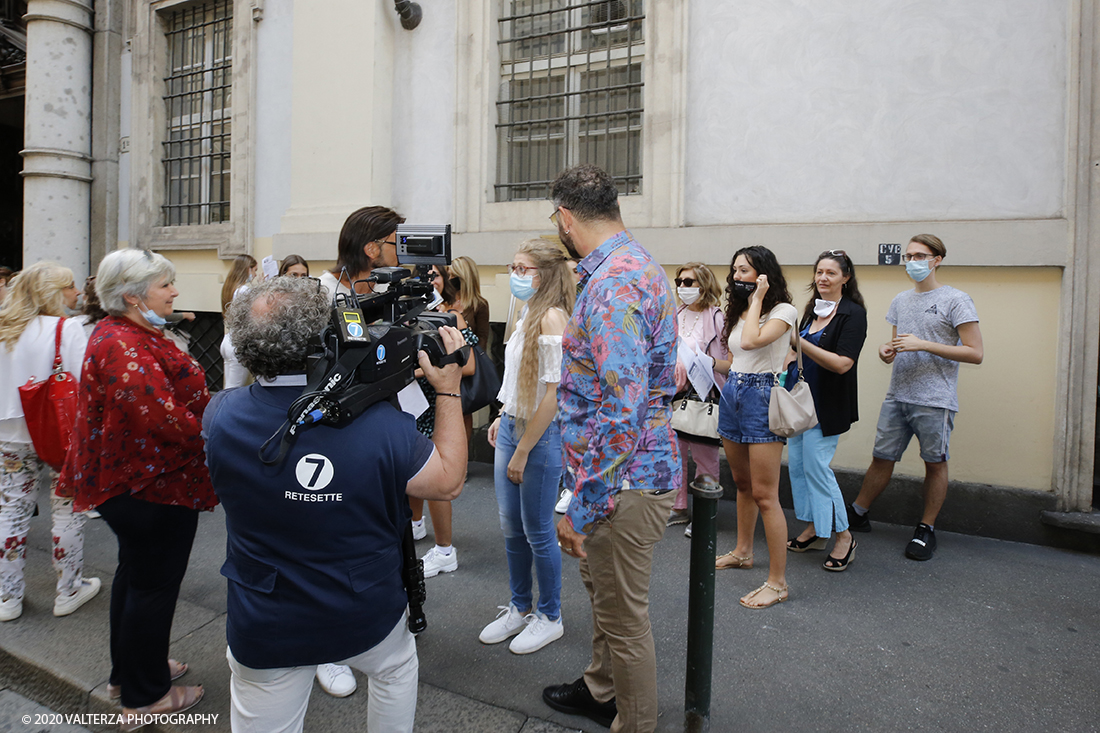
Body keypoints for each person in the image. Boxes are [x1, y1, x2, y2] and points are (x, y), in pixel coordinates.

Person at [203, 277, 468, 733]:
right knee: (395, 671)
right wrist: (447, 389)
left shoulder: (220, 416)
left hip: (266, 618)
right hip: (364, 608)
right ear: (326, 339)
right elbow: (447, 482)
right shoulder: (383, 427)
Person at [543, 165, 680, 733]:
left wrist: (583, 503)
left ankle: (636, 723)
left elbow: (623, 409)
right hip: (623, 475)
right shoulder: (636, 265)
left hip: (621, 483)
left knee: (625, 622)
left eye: (556, 220)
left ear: (567, 218)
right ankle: (602, 692)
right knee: (604, 593)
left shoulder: (613, 283)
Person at [61, 248, 213, 720]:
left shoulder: (125, 332)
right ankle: (147, 697)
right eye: (165, 283)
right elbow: (164, 421)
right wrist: (224, 429)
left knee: (136, 579)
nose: (175, 291)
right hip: (151, 488)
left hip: (136, 484)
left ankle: (129, 673)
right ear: (132, 296)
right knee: (152, 587)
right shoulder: (123, 343)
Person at [848, 234, 983, 561]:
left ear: (937, 259)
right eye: (908, 256)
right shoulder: (901, 300)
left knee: (934, 463)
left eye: (920, 256)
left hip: (935, 399)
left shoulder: (956, 299)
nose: (912, 262)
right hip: (898, 394)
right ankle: (858, 513)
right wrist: (886, 350)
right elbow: (897, 344)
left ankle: (926, 528)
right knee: (882, 456)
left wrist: (924, 344)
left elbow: (975, 353)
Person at [481, 239, 574, 655]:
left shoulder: (553, 317)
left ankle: (549, 615)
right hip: (513, 428)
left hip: (539, 437)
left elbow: (555, 395)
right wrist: (503, 415)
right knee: (510, 526)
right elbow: (521, 378)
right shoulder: (527, 312)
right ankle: (520, 607)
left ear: (546, 273)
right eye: (513, 267)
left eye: (523, 268)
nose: (515, 276)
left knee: (538, 532)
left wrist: (522, 449)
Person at [0, 262, 99, 622]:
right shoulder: (66, 328)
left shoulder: (4, 327)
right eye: (70, 286)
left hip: (8, 434)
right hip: (60, 433)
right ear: (52, 293)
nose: (76, 293)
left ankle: (7, 597)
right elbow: (86, 383)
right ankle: (68, 588)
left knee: (10, 512)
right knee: (68, 509)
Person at [713, 246, 797, 610]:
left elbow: (751, 342)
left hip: (763, 396)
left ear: (763, 273)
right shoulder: (741, 310)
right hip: (733, 393)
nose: (737, 277)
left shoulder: (783, 311)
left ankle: (778, 583)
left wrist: (760, 297)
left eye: (745, 270)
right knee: (742, 483)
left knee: (766, 494)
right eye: (734, 271)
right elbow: (735, 360)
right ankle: (743, 551)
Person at [784, 250, 867, 571]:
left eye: (831, 273)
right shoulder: (810, 311)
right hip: (799, 404)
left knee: (817, 469)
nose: (823, 278)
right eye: (819, 272)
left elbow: (843, 364)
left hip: (826, 407)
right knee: (799, 468)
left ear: (846, 278)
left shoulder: (852, 314)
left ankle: (844, 536)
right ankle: (815, 529)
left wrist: (799, 344)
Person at [409, 264, 476, 577]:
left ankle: (445, 549)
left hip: (440, 404)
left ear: (445, 280)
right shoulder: (408, 314)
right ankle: (415, 524)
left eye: (434, 275)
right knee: (411, 469)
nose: (429, 281)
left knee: (438, 477)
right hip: (411, 403)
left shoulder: (452, 317)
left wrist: (423, 371)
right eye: (422, 275)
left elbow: (470, 365)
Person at [668, 263, 730, 538]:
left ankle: (705, 512)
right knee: (676, 452)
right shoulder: (676, 313)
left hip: (706, 394)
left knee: (705, 454)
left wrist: (707, 365)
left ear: (704, 284)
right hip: (674, 394)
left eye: (689, 282)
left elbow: (731, 360)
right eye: (680, 281)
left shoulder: (717, 318)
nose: (683, 287)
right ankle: (679, 507)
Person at [320, 206, 404, 299]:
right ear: (371, 250)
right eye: (397, 245)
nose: (403, 251)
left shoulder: (386, 288)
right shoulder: (323, 292)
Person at [219, 254, 258, 389]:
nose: (255, 274)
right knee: (234, 389)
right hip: (238, 344)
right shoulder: (244, 290)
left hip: (228, 340)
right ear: (248, 269)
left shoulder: (230, 288)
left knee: (228, 387)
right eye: (254, 270)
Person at [449, 255, 490, 348]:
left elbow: (482, 339)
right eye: (449, 275)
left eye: (454, 276)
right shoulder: (444, 301)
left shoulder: (479, 304)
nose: (450, 279)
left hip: (467, 355)